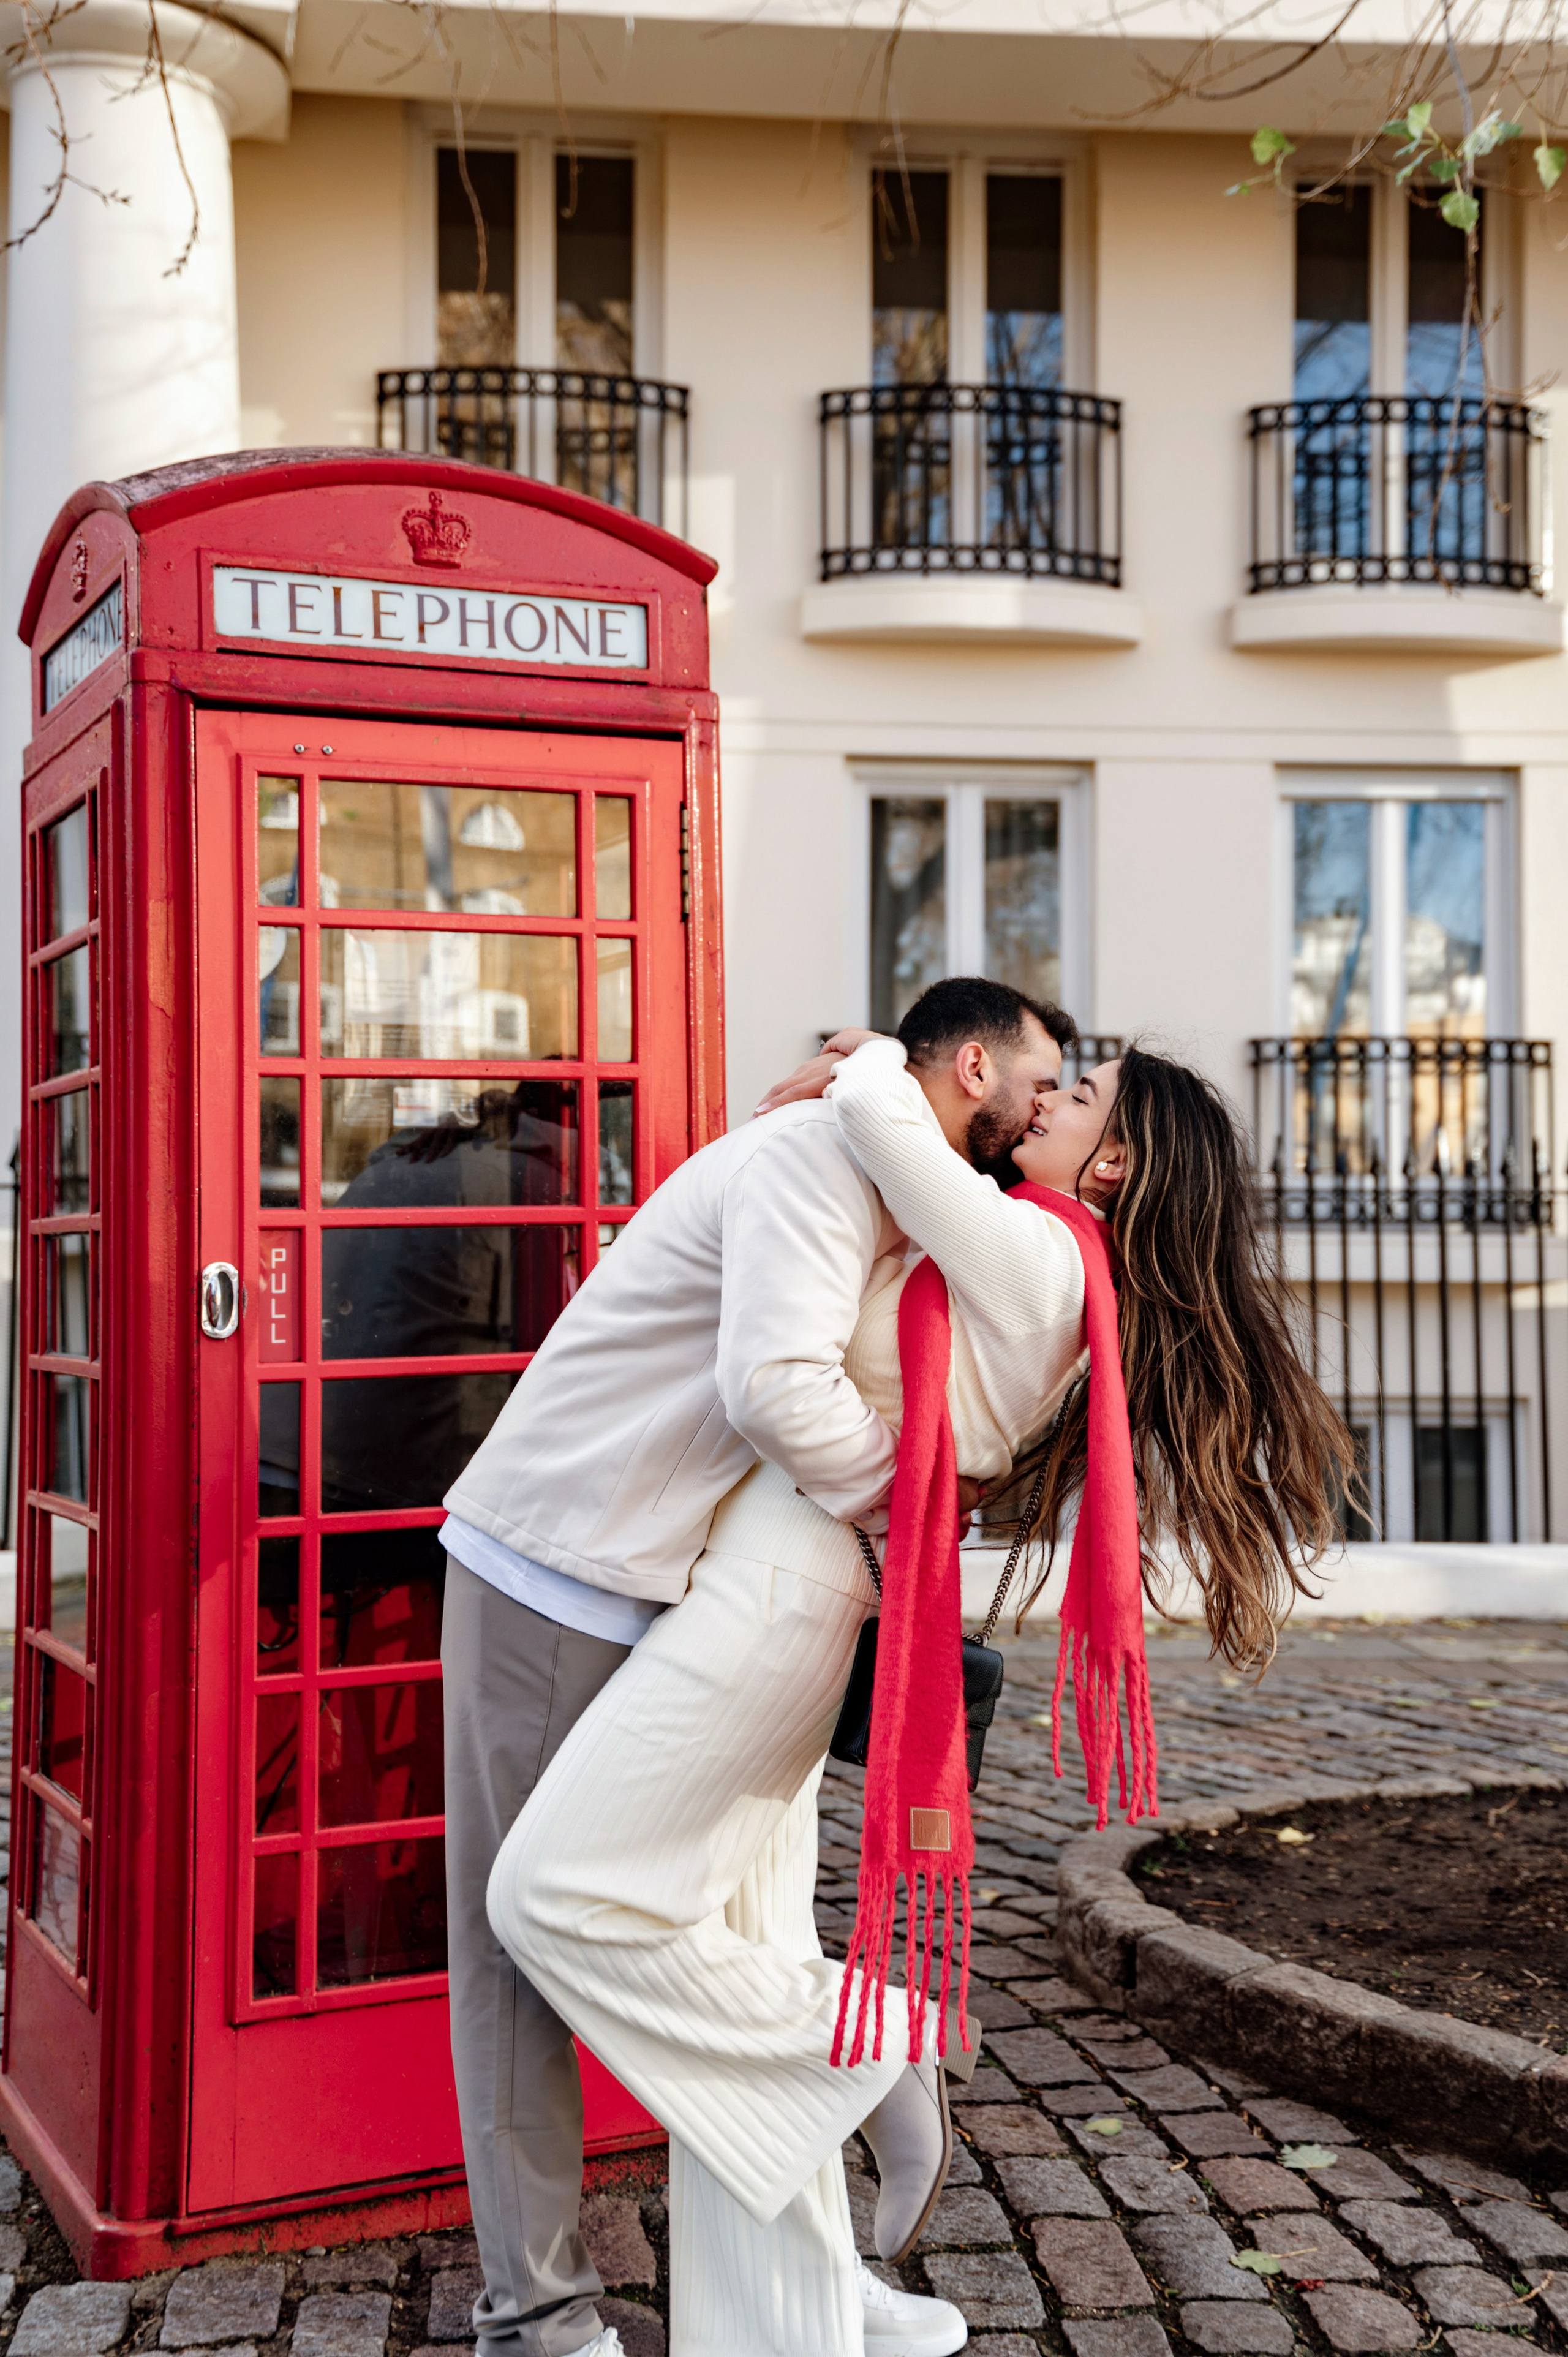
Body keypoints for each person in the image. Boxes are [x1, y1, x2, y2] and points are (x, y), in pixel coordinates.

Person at [483, 1024, 1358, 2357]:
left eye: (1079, 1095)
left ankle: (878, 2044)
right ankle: (788, 2324)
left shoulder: (1038, 1252)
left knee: (548, 1894)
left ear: (1113, 1163)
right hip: (796, 1576)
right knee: (752, 1940)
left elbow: (886, 1125)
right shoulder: (1059, 1261)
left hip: (783, 1582)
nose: (1048, 1097)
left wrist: (875, 1052)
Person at [438, 978, 1071, 2357]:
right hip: (567, 1557)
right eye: (1041, 1084)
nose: (1043, 1114)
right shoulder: (815, 1159)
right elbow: (776, 1385)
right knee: (520, 1945)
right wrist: (902, 1522)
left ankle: (813, 2282)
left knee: (733, 1936)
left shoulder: (903, 1180)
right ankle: (540, 2315)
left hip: (683, 1573)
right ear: (974, 1067)